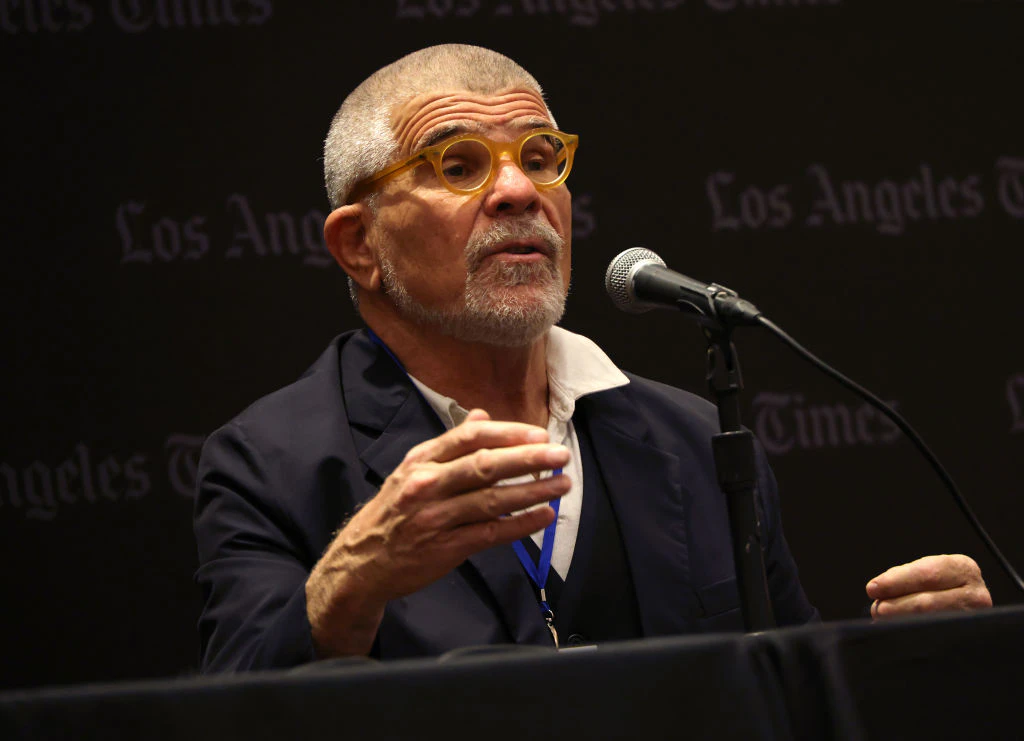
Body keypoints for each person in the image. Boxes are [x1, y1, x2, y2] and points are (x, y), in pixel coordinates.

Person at [193, 44, 991, 672]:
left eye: (540, 158)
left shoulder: (690, 438)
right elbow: (234, 713)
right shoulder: (271, 462)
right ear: (358, 245)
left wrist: (913, 659)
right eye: (458, 165)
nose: (518, 192)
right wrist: (355, 577)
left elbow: (788, 689)